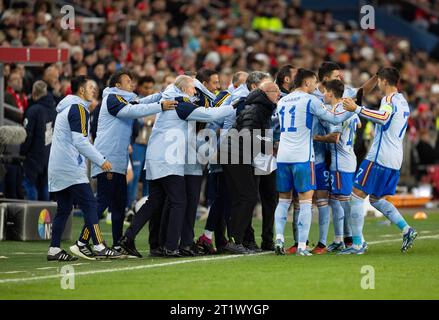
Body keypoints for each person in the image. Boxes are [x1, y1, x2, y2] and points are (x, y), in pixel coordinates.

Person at [119, 75, 234, 258]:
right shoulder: (181, 104)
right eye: (192, 88)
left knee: (154, 201)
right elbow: (208, 114)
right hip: (168, 161)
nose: (195, 91)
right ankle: (170, 246)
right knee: (179, 202)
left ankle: (128, 238)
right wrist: (231, 107)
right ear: (183, 88)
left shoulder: (171, 100)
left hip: (156, 158)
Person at [273, 68, 356, 256]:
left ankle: (278, 238)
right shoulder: (310, 100)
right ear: (307, 83)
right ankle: (302, 246)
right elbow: (333, 117)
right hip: (302, 157)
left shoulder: (282, 101)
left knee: (283, 200)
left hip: (283, 156)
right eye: (314, 82)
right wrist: (352, 111)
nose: (317, 86)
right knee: (305, 201)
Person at [91, 69, 176, 250]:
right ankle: (84, 242)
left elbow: (140, 101)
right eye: (128, 81)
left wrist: (162, 96)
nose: (132, 84)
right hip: (108, 159)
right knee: (102, 203)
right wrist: (161, 105)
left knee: (119, 205)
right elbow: (134, 110)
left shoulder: (122, 98)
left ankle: (116, 245)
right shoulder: (112, 98)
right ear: (117, 85)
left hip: (118, 161)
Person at [342, 67, 417, 254]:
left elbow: (383, 118)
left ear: (383, 81)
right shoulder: (403, 101)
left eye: (378, 82)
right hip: (394, 159)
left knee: (356, 196)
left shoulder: (389, 99)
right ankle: (407, 229)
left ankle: (358, 244)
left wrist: (357, 109)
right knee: (375, 199)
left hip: (379, 157)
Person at [47, 76, 121, 261]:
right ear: (81, 90)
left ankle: (54, 249)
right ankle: (98, 246)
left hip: (58, 166)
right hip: (70, 167)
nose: (94, 90)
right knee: (90, 204)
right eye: (90, 87)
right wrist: (100, 159)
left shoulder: (65, 108)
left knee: (64, 209)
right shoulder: (78, 108)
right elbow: (79, 140)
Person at [221, 81, 281, 254]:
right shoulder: (257, 109)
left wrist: (268, 143)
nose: (278, 95)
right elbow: (248, 133)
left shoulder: (259, 107)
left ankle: (234, 240)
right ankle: (235, 240)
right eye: (276, 92)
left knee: (241, 198)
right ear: (266, 92)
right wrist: (269, 145)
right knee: (247, 196)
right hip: (236, 154)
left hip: (235, 153)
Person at [315, 80, 361, 253]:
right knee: (336, 200)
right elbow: (359, 123)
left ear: (331, 93)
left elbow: (334, 137)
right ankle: (340, 239)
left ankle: (357, 240)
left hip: (340, 161)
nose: (323, 94)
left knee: (344, 202)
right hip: (346, 158)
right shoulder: (348, 108)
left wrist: (315, 138)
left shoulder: (336, 111)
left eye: (325, 92)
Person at [20, 80, 56, 201]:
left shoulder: (33, 110)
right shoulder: (53, 109)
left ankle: (31, 218)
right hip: (48, 153)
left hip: (34, 155)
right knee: (44, 186)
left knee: (29, 184)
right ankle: (45, 218)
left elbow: (27, 135)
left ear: (34, 92)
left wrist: (23, 152)